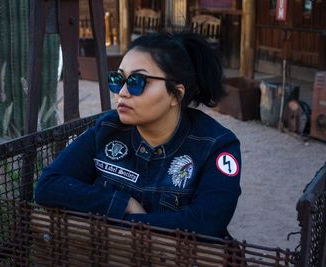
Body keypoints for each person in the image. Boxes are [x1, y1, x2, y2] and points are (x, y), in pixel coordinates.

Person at [35, 32, 241, 238]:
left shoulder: (216, 145)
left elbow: (208, 222)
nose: (122, 92)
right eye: (118, 79)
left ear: (176, 94)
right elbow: (48, 186)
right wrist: (123, 204)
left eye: (137, 81)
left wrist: (127, 223)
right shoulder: (107, 128)